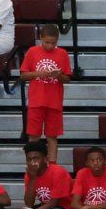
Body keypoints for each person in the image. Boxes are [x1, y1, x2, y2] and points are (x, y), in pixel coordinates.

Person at [20, 22, 71, 163]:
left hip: (54, 101)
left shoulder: (63, 54)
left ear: (57, 41)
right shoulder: (32, 52)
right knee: (33, 135)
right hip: (36, 101)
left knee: (52, 136)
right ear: (41, 38)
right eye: (47, 42)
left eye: (53, 43)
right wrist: (38, 73)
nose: (50, 46)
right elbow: (23, 75)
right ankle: (33, 163)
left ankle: (52, 165)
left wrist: (58, 76)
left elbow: (67, 78)